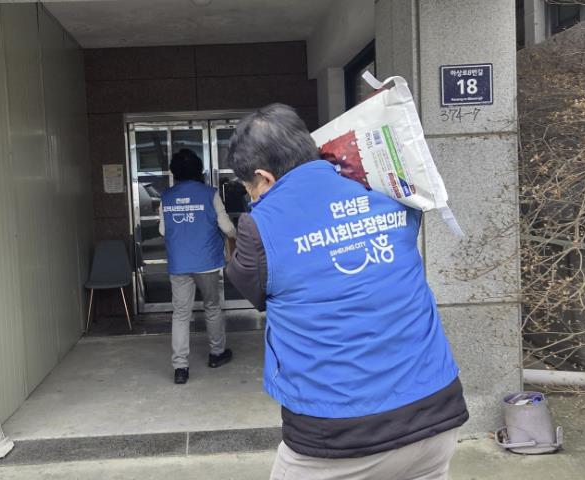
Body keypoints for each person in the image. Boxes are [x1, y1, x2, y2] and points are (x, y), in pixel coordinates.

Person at [225, 104, 469, 479]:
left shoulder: (258, 228)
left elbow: (248, 283)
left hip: (338, 437)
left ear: (264, 177)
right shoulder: (387, 192)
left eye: (250, 189)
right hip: (436, 416)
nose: (253, 198)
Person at [159, 149, 235, 384]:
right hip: (207, 262)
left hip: (179, 263)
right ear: (198, 169)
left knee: (181, 314)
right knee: (212, 307)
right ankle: (217, 354)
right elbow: (227, 228)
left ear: (175, 171)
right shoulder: (210, 194)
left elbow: (162, 230)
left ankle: (180, 368)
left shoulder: (166, 196)